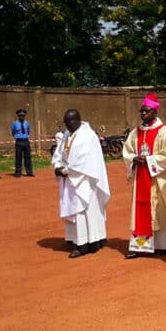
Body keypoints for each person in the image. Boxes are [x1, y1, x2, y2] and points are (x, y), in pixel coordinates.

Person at [122, 93, 166, 259]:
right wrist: (134, 158)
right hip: (141, 178)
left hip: (159, 180)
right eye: (142, 111)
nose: (143, 114)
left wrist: (148, 160)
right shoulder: (135, 132)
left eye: (147, 111)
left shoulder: (165, 132)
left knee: (162, 210)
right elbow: (128, 151)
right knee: (142, 211)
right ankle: (142, 246)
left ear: (155, 113)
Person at [52, 109, 110, 258]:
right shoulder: (66, 135)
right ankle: (75, 239)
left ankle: (84, 244)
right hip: (70, 178)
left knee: (82, 209)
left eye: (69, 122)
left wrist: (66, 170)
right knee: (73, 208)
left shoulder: (88, 136)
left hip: (84, 180)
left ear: (77, 120)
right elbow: (58, 153)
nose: (67, 125)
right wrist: (57, 166)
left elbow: (83, 161)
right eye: (65, 123)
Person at [11, 108, 34, 177]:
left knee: (28, 157)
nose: (22, 117)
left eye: (23, 115)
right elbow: (13, 132)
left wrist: (25, 137)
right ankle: (18, 172)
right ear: (18, 116)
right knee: (18, 157)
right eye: (20, 115)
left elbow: (28, 131)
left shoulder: (27, 123)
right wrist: (17, 137)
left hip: (26, 141)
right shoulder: (15, 124)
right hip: (19, 141)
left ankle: (29, 171)